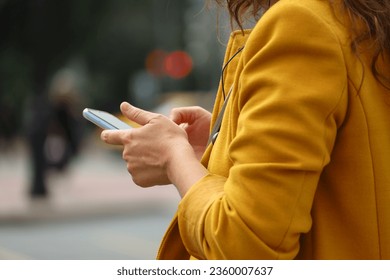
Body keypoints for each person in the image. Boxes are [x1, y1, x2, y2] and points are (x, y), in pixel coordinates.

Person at [101, 0, 390, 259]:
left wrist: (173, 157)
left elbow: (243, 247)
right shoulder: (363, 19)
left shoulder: (302, 23)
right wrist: (225, 142)